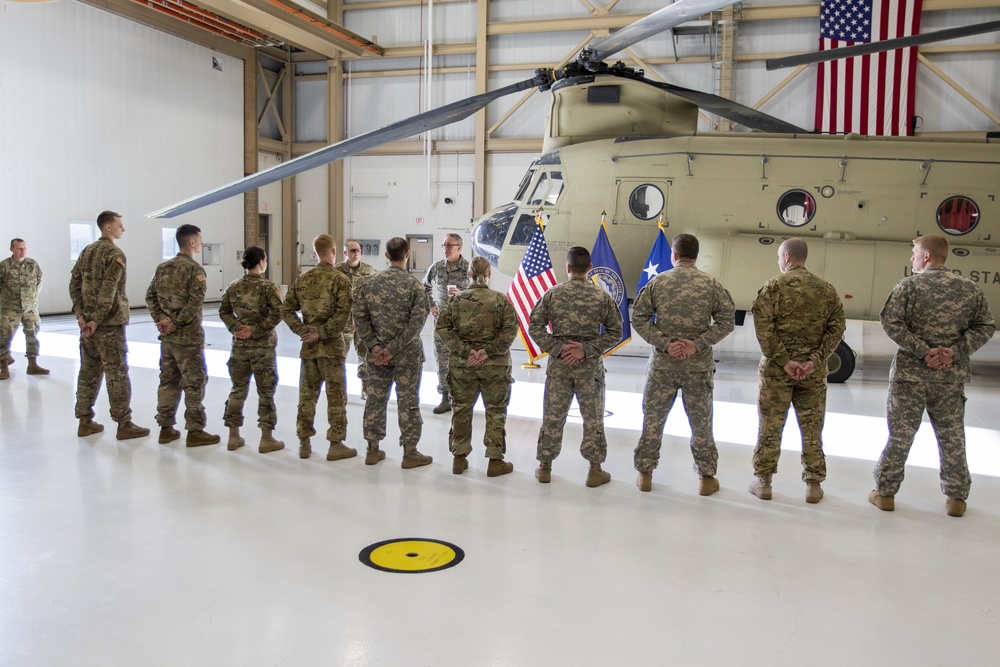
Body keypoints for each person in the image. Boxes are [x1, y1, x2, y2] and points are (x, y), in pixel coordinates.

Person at [869, 234, 996, 517]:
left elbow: (890, 321)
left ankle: (885, 493)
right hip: (950, 377)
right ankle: (956, 498)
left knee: (900, 435)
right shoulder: (969, 289)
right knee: (951, 436)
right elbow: (985, 326)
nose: (911, 258)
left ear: (926, 256)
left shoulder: (909, 286)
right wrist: (954, 352)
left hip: (910, 378)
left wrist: (922, 351)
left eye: (914, 252)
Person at [631, 233, 735, 495]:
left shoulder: (658, 282)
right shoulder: (711, 284)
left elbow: (639, 318)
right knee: (701, 423)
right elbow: (726, 321)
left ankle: (645, 474)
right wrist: (697, 344)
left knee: (653, 421)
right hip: (697, 368)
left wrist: (665, 343)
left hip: (663, 367)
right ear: (696, 256)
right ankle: (706, 478)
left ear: (674, 255)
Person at [749, 237, 845, 504]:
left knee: (770, 425)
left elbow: (763, 328)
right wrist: (815, 360)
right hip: (812, 374)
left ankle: (764, 482)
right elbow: (837, 327)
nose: (779, 261)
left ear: (787, 258)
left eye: (780, 256)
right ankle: (814, 485)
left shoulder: (773, 287)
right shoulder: (826, 290)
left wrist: (784, 360)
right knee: (812, 427)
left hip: (777, 372)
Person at [530, 246, 623, 487]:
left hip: (559, 367)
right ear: (590, 269)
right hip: (589, 368)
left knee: (553, 416)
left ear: (568, 268)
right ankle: (594, 470)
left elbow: (535, 327)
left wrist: (559, 349)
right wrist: (586, 349)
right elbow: (616, 331)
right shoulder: (601, 296)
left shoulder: (553, 294)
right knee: (592, 418)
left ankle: (545, 467)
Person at [69, 210, 149, 440]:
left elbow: (74, 284)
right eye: (120, 225)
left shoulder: (87, 251)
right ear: (108, 228)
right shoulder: (115, 253)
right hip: (108, 325)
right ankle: (124, 423)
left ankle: (85, 421)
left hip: (89, 326)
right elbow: (109, 290)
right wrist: (96, 319)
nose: (123, 229)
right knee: (117, 374)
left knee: (88, 371)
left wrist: (81, 316)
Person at [436, 256, 518, 477]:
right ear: (489, 275)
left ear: (468, 275)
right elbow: (510, 330)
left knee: (461, 409)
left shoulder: (456, 301)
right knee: (495, 410)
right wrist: (488, 351)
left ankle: (459, 458)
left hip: (463, 367)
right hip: (495, 367)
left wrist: (466, 351)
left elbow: (442, 327)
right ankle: (494, 460)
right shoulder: (500, 300)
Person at [354, 237, 432, 468]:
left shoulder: (369, 284)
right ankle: (410, 452)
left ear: (386, 256)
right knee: (408, 401)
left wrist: (375, 346)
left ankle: (372, 449)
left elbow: (359, 317)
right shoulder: (414, 286)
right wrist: (393, 348)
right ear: (407, 254)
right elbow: (417, 322)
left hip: (377, 357)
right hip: (407, 356)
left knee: (375, 400)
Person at [281, 234, 354, 461]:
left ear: (315, 253)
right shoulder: (340, 280)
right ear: (333, 251)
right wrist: (322, 332)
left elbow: (285, 310)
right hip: (332, 349)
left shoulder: (303, 279)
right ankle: (336, 444)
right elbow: (343, 315)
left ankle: (304, 442)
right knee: (336, 397)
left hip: (309, 350)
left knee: (307, 396)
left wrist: (303, 331)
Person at [146, 224, 220, 447]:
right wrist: (175, 322)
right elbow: (194, 303)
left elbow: (150, 296)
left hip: (167, 339)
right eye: (200, 239)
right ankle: (195, 430)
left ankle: (166, 428)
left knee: (168, 381)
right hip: (187, 339)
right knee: (195, 382)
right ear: (191, 242)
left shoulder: (163, 267)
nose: (202, 243)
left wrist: (162, 321)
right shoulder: (195, 269)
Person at [219, 246, 285, 454]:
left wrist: (237, 329)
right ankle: (266, 438)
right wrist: (256, 330)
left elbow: (224, 311)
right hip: (263, 348)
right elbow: (278, 313)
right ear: (261, 261)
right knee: (266, 392)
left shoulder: (234, 286)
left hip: (240, 348)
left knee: (238, 389)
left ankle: (233, 436)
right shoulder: (267, 287)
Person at [423, 233, 470, 414]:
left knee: (462, 360)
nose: (446, 248)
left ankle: (462, 397)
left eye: (450, 245)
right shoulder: (436, 268)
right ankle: (445, 396)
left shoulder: (468, 268)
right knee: (442, 361)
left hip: (463, 324)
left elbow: (479, 292)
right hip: (442, 324)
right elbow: (424, 287)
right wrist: (431, 304)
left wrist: (462, 293)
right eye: (444, 245)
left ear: (459, 247)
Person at [0, 238, 49, 379]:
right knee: (4, 337)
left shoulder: (32, 264)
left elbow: (39, 282)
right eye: (19, 248)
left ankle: (32, 364)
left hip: (30, 308)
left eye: (24, 248)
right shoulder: (4, 266)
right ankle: (4, 366)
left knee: (32, 336)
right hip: (10, 308)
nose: (22, 251)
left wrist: (31, 298)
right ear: (12, 249)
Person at [334, 239, 377, 399]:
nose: (356, 253)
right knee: (339, 357)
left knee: (365, 356)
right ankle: (339, 390)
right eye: (352, 250)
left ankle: (365, 388)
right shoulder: (336, 271)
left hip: (362, 322)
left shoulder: (369, 270)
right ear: (345, 253)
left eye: (358, 250)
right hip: (343, 323)